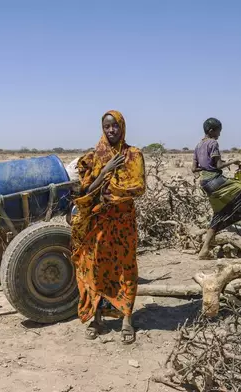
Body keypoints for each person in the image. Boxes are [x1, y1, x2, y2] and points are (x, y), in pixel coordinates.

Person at [70, 110, 146, 344]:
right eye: (106, 126)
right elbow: (86, 190)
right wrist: (105, 171)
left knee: (125, 268)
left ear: (122, 126)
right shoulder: (94, 157)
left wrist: (109, 191)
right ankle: (98, 317)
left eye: (114, 126)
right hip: (99, 222)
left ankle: (126, 318)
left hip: (123, 224)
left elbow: (138, 187)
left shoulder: (133, 155)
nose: (111, 130)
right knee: (97, 268)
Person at [191, 117, 241, 259]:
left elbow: (194, 169)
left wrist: (208, 166)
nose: (219, 134)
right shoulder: (213, 143)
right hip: (215, 180)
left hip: (205, 182)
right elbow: (219, 166)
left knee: (219, 214)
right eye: (218, 131)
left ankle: (204, 250)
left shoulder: (198, 146)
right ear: (211, 131)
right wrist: (234, 161)